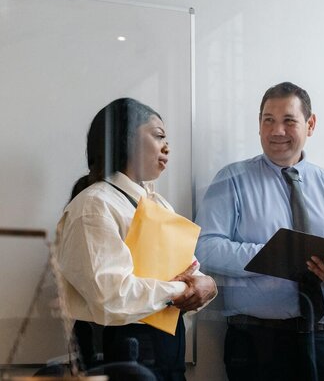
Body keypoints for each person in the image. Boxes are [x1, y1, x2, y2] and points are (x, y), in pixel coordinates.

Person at [195, 82, 324, 381]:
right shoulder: (231, 180)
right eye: (268, 120)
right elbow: (205, 248)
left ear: (311, 124)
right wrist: (276, 254)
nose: (276, 131)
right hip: (257, 343)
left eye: (288, 121)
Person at [54, 97, 217, 381]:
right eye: (158, 136)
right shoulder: (94, 205)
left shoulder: (159, 205)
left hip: (168, 351)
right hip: (120, 356)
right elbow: (110, 296)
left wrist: (207, 285)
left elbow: (189, 272)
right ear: (126, 138)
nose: (167, 147)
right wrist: (180, 290)